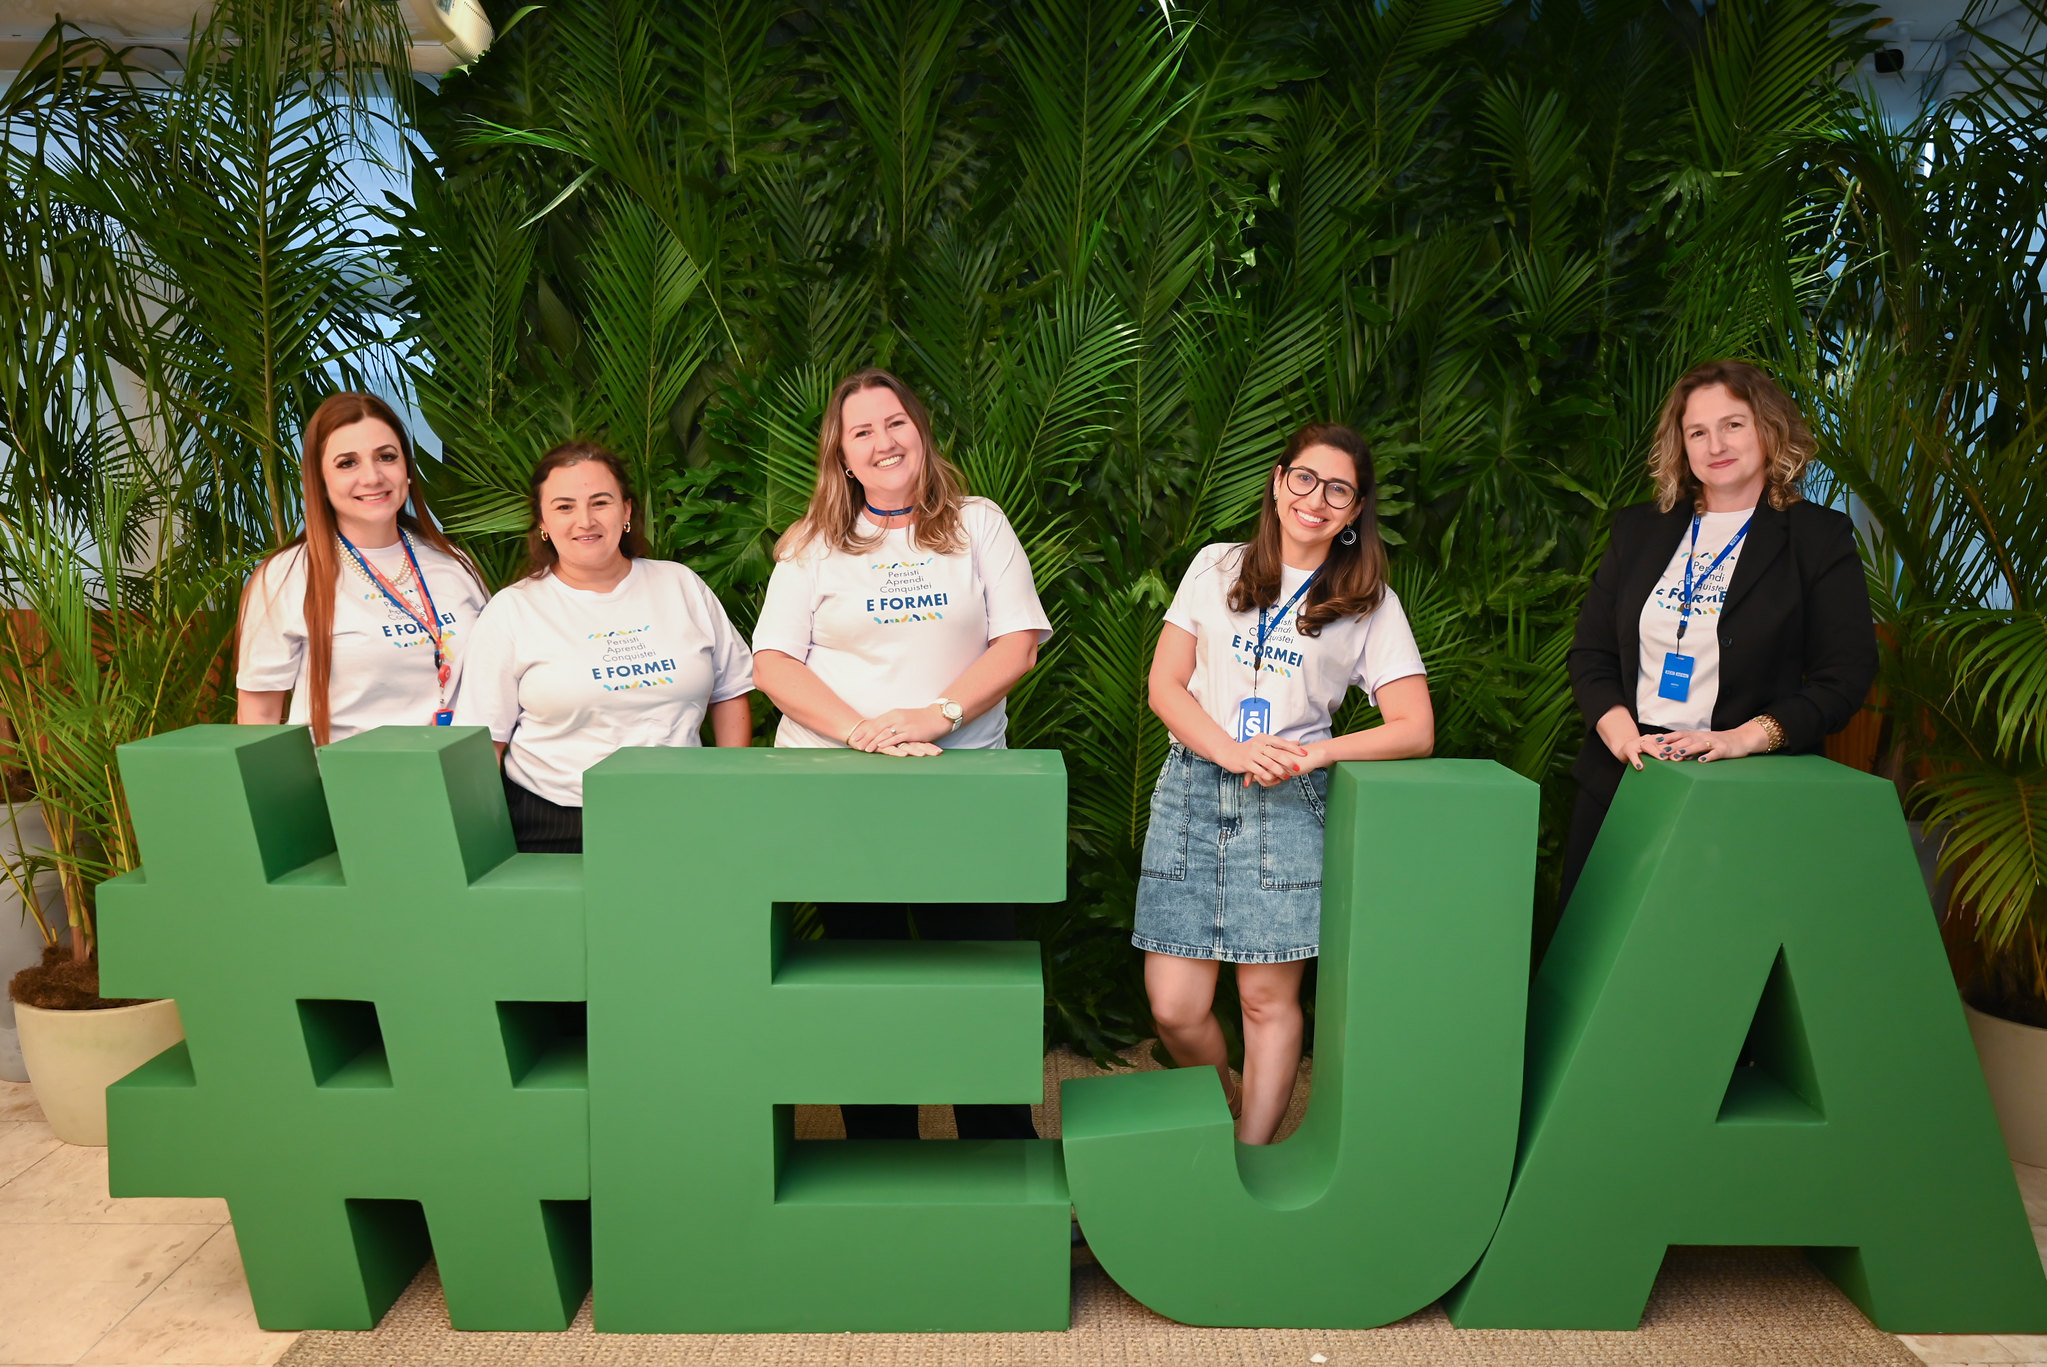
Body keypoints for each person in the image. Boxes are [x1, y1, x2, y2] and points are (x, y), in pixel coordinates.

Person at [752, 367, 1052, 1142]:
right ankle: (879, 1153)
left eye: (895, 423)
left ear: (920, 432)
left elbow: (1017, 642)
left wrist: (934, 715)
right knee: (865, 979)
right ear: (841, 456)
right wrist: (861, 730)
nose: (882, 441)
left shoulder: (979, 524)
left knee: (978, 978)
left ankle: (999, 1151)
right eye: (862, 431)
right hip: (844, 792)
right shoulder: (812, 544)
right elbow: (773, 664)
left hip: (963, 788)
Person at [1138, 423, 1433, 1146]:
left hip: (1288, 804)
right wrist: (1230, 750)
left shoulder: (1368, 601)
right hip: (1191, 789)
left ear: (1355, 509)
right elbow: (1165, 685)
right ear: (1277, 481)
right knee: (1174, 1007)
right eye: (1304, 478)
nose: (1315, 499)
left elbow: (1414, 727)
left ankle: (1252, 1155)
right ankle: (1222, 1101)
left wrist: (1314, 755)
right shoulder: (1215, 566)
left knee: (1266, 1001)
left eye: (1338, 490)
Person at [1560, 359, 1879, 913]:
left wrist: (1742, 739)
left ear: (1769, 429)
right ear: (1681, 445)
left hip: (1745, 786)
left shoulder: (1817, 537)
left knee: (1712, 951)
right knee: (1600, 954)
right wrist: (1624, 738)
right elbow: (1591, 654)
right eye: (1697, 432)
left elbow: (1845, 676)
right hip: (1624, 779)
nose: (1716, 445)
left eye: (1733, 424)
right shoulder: (1638, 529)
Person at [457, 442, 754, 855]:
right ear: (543, 521)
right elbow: (486, 741)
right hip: (556, 822)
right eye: (564, 507)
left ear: (626, 511)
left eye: (601, 502)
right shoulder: (512, 610)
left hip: (685, 810)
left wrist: (729, 788)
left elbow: (731, 690)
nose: (585, 520)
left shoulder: (681, 585)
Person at [237, 392, 489, 745]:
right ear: (320, 481)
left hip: (456, 773)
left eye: (387, 457)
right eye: (347, 463)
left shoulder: (453, 563)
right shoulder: (285, 577)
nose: (372, 477)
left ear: (407, 469)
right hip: (341, 777)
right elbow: (258, 720)